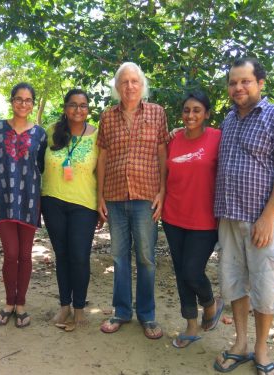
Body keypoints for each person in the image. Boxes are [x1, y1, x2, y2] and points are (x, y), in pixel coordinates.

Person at [213, 57, 274, 375]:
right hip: (228, 218)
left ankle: (261, 348)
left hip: (262, 222)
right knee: (234, 283)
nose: (238, 87)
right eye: (233, 82)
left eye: (245, 81)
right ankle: (239, 342)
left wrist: (268, 216)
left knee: (265, 288)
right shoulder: (228, 121)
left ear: (260, 83)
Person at [97, 62, 169, 339]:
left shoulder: (157, 113)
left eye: (134, 81)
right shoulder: (107, 117)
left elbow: (162, 153)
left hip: (146, 196)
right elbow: (102, 156)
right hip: (114, 196)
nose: (129, 86)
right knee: (118, 257)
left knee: (147, 258)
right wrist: (99, 195)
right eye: (124, 82)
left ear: (142, 85)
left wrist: (163, 191)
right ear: (117, 87)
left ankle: (148, 315)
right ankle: (122, 311)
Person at [162, 91, 224, 349]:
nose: (191, 115)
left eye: (197, 110)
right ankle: (190, 324)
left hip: (205, 220)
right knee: (180, 272)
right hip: (173, 216)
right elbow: (163, 173)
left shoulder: (218, 138)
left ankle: (210, 304)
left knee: (192, 271)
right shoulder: (173, 140)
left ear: (207, 114)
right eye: (187, 110)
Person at [0, 82, 47, 329]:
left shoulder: (41, 134)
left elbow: (43, 166)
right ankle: (9, 303)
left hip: (30, 199)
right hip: (3, 199)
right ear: (11, 101)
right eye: (18, 99)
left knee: (25, 255)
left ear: (33, 103)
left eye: (28, 100)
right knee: (10, 254)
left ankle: (21, 304)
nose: (23, 104)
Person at [41, 89, 99, 331]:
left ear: (88, 109)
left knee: (79, 256)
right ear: (65, 108)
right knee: (62, 255)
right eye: (73, 105)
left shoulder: (97, 135)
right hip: (52, 200)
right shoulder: (51, 130)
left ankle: (79, 308)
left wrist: (103, 203)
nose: (78, 110)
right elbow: (37, 164)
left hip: (84, 204)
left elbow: (102, 172)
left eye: (83, 105)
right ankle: (64, 305)